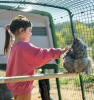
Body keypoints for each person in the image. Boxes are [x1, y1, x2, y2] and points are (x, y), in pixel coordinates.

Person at [4, 15, 71, 100]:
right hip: (23, 86)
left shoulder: (14, 46)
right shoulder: (24, 46)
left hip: (15, 85)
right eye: (30, 30)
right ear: (21, 30)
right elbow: (41, 55)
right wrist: (59, 52)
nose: (31, 34)